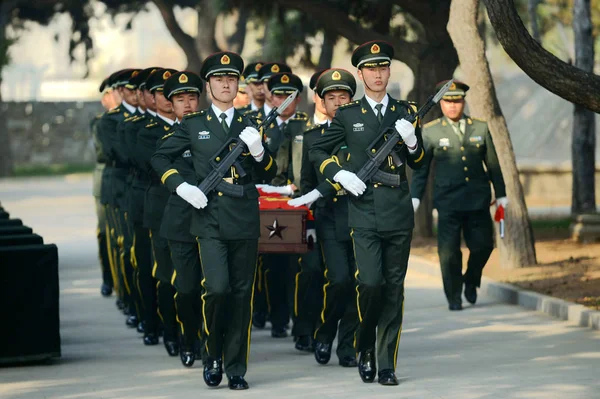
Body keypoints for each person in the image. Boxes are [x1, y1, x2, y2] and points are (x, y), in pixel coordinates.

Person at [151, 51, 277, 390]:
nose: (226, 83)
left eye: (231, 78)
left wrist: (260, 152)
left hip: (244, 219)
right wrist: (182, 186)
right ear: (208, 86)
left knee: (240, 294)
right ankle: (213, 355)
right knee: (217, 289)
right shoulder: (194, 124)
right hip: (208, 221)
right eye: (219, 79)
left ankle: (236, 366)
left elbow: (271, 172)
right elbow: (160, 157)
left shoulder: (250, 123)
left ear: (237, 84)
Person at [309, 40, 425, 386]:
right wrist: (338, 173)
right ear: (361, 74)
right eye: (371, 69)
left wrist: (414, 142)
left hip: (397, 214)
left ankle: (385, 362)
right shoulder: (348, 115)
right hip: (362, 214)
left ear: (389, 71)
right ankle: (364, 347)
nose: (377, 74)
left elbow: (420, 162)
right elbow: (317, 150)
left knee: (393, 289)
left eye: (383, 67)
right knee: (370, 284)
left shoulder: (406, 112)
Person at [410, 80, 507, 311]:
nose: (452, 106)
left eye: (457, 101)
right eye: (447, 101)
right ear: (441, 103)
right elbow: (422, 170)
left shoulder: (480, 127)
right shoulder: (432, 131)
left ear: (463, 102)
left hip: (477, 200)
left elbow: (492, 164)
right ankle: (454, 296)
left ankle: (471, 281)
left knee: (484, 246)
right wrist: (415, 197)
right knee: (448, 253)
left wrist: (501, 194)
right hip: (448, 202)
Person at [289, 68, 359, 368]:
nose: (338, 102)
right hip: (329, 218)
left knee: (360, 283)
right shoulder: (312, 137)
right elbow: (306, 185)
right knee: (340, 280)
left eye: (344, 97)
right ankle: (325, 331)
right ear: (322, 101)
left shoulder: (363, 134)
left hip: (360, 216)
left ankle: (347, 348)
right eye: (332, 97)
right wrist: (310, 225)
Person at [157, 71, 204, 367]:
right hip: (180, 221)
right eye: (180, 99)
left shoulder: (213, 130)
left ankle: (210, 341)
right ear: (171, 104)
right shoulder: (165, 137)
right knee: (186, 287)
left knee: (214, 287)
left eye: (191, 98)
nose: (186, 105)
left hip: (215, 219)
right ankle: (188, 335)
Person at [138, 68, 180, 352]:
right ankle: (168, 329)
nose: (168, 99)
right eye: (162, 94)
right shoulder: (146, 130)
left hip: (191, 210)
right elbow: (149, 165)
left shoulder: (193, 127)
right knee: (165, 275)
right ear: (152, 98)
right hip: (162, 207)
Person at [91, 76, 119, 298]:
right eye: (113, 93)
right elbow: (105, 152)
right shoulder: (101, 121)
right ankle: (108, 278)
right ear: (105, 99)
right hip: (107, 179)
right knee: (106, 232)